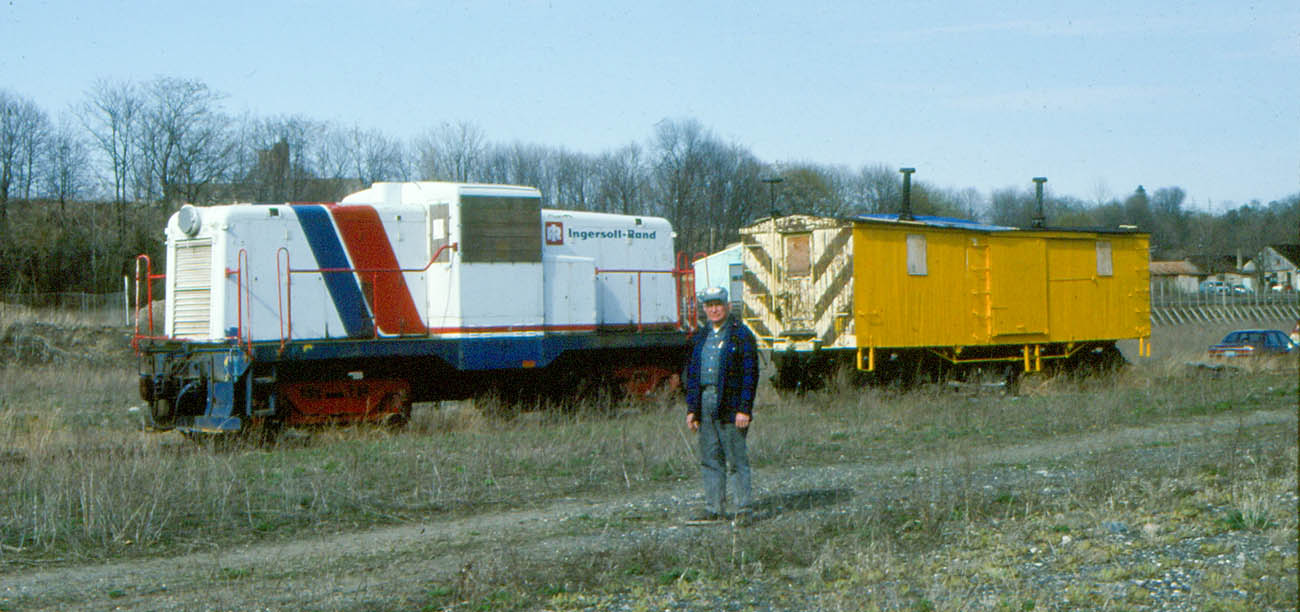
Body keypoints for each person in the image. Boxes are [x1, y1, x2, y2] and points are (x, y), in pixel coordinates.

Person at [683, 286, 759, 524]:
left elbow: (750, 374)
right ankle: (714, 509)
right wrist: (692, 409)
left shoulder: (741, 335)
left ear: (727, 306)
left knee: (736, 459)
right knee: (710, 458)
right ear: (704, 309)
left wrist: (744, 409)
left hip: (731, 403)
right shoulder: (701, 336)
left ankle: (743, 509)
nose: (714, 309)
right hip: (705, 402)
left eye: (718, 304)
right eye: (709, 305)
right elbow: (693, 375)